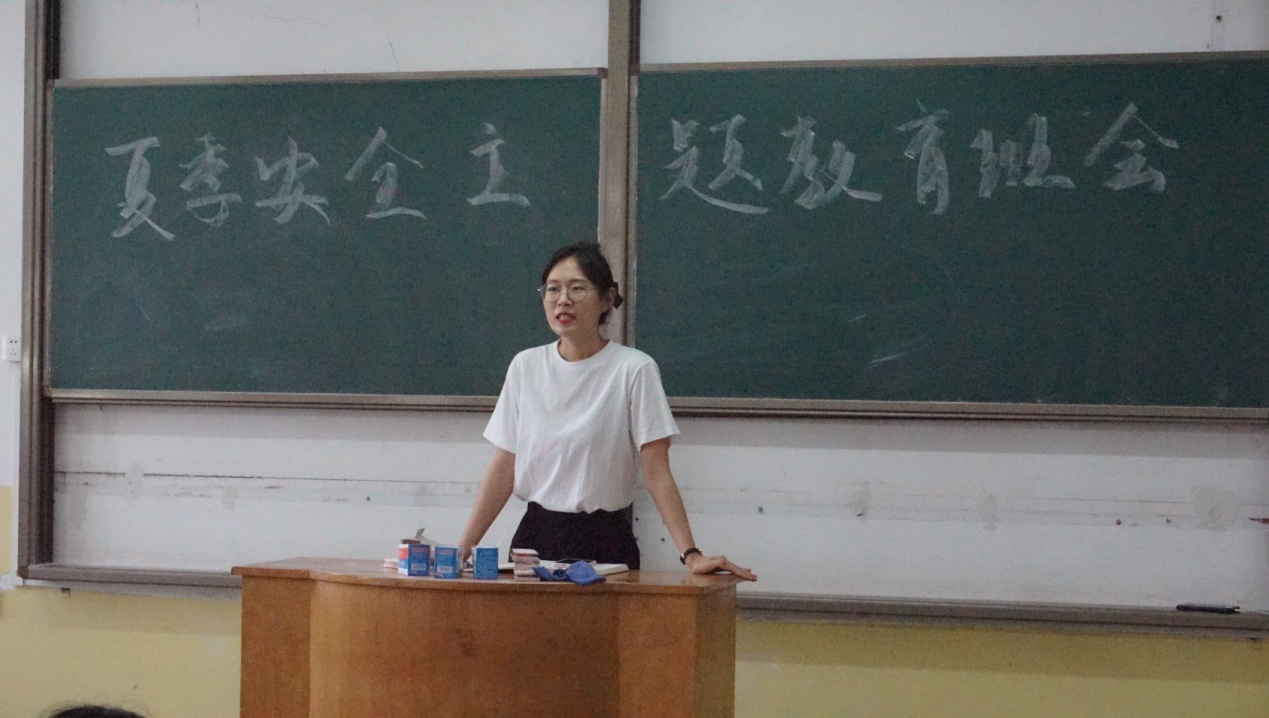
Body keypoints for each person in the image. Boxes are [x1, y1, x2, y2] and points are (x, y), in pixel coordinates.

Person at [457, 242, 756, 580]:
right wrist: (463, 548)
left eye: (577, 288)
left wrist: (691, 554)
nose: (563, 300)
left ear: (606, 299)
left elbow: (657, 471)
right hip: (535, 542)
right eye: (553, 289)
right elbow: (504, 466)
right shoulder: (525, 366)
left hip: (606, 543)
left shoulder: (634, 369)